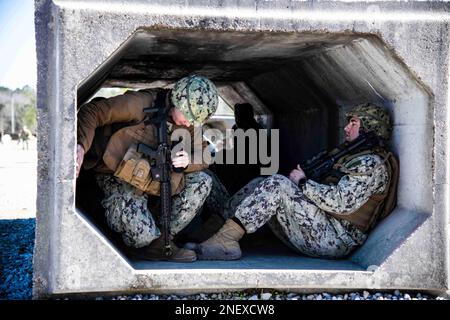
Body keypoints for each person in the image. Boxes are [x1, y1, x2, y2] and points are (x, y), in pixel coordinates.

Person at [190, 103, 399, 260]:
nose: (346, 128)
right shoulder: (352, 157)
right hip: (320, 226)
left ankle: (226, 241)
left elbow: (340, 202)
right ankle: (215, 231)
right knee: (260, 183)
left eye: (353, 123)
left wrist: (302, 182)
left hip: (334, 238)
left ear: (369, 128)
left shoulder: (372, 164)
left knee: (278, 184)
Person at [76, 74, 218, 262]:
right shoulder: (140, 103)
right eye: (188, 117)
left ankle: (162, 242)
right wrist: (80, 146)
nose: (190, 124)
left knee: (203, 181)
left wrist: (189, 161)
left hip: (155, 176)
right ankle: (145, 239)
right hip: (117, 173)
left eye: (195, 121)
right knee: (140, 235)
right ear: (178, 101)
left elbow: (206, 154)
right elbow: (93, 111)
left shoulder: (188, 121)